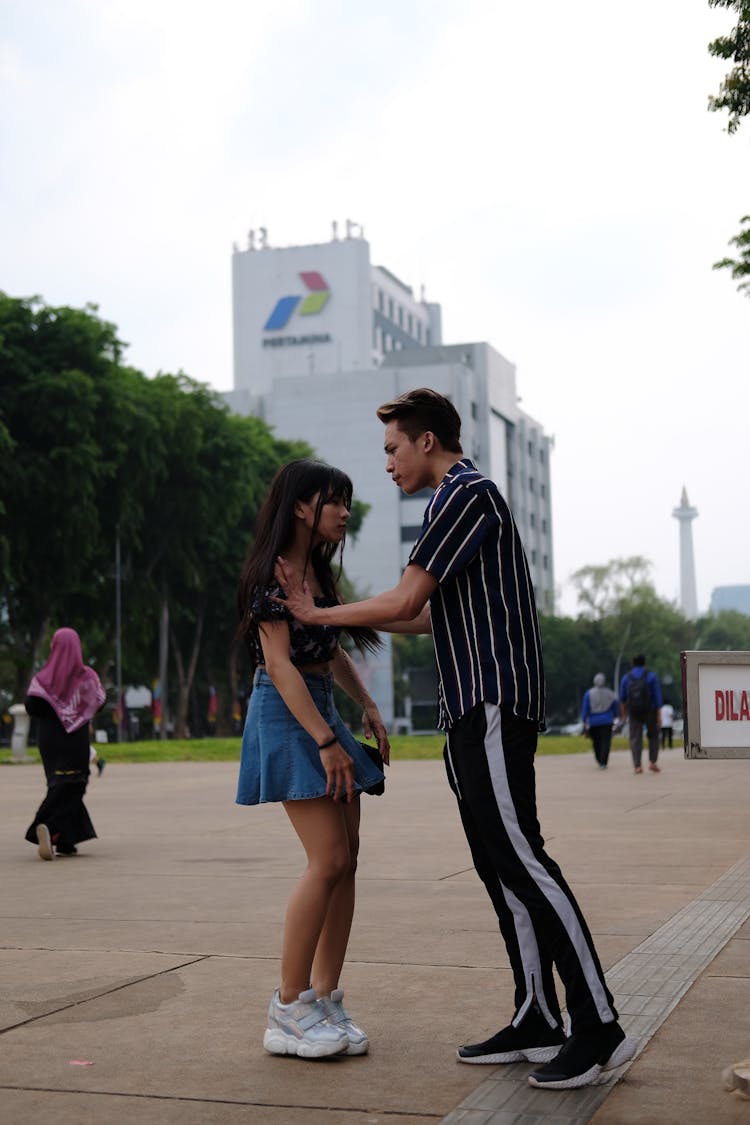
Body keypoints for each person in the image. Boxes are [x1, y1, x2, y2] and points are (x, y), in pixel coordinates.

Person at [275, 388, 635, 1090]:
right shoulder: (454, 504)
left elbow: (407, 599)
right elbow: (427, 615)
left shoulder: (465, 494)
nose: (387, 463)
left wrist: (318, 610)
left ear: (428, 441)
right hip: (469, 707)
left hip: (493, 700)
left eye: (392, 448)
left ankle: (598, 1022)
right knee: (500, 864)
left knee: (523, 858)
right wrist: (331, 618)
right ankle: (537, 1012)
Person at [236, 459, 390, 1061]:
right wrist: (327, 741)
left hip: (320, 705)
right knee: (325, 860)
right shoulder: (269, 577)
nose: (345, 513)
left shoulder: (316, 576)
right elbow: (279, 666)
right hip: (287, 712)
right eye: (336, 502)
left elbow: (329, 653)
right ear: (302, 507)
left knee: (348, 861)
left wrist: (368, 706)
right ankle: (288, 1005)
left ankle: (323, 999)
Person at [24, 627, 106, 860]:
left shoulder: (43, 678)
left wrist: (54, 708)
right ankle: (47, 826)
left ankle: (67, 839)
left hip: (49, 741)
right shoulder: (87, 677)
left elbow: (31, 706)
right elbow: (99, 702)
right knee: (75, 784)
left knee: (58, 785)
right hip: (75, 739)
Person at [619, 655, 663, 774]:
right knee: (653, 736)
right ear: (645, 663)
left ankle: (637, 765)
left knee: (635, 738)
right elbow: (657, 698)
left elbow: (622, 699)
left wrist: (624, 715)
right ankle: (653, 762)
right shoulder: (651, 676)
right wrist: (659, 716)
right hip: (650, 711)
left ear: (633, 663)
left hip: (633, 712)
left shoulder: (626, 678)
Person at [581, 673, 619, 769]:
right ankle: (603, 762)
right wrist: (615, 715)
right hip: (607, 721)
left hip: (594, 722)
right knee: (606, 742)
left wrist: (584, 720)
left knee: (596, 742)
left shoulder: (588, 694)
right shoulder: (611, 693)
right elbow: (615, 708)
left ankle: (599, 759)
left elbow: (585, 709)